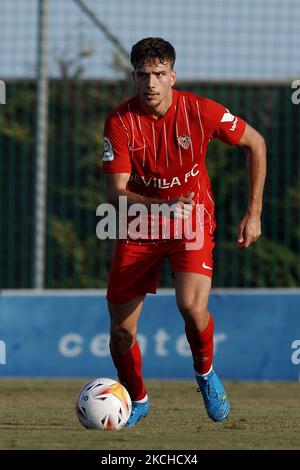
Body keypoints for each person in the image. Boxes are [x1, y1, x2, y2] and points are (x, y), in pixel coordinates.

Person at [101, 37, 266, 427]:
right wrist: (163, 207)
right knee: (121, 332)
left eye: (159, 74)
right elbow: (116, 194)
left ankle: (205, 374)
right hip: (140, 222)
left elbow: (255, 142)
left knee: (192, 309)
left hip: (192, 219)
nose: (151, 84)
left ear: (173, 76)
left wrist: (253, 213)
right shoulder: (119, 122)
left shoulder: (200, 111)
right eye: (143, 75)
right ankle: (136, 399)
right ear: (134, 78)